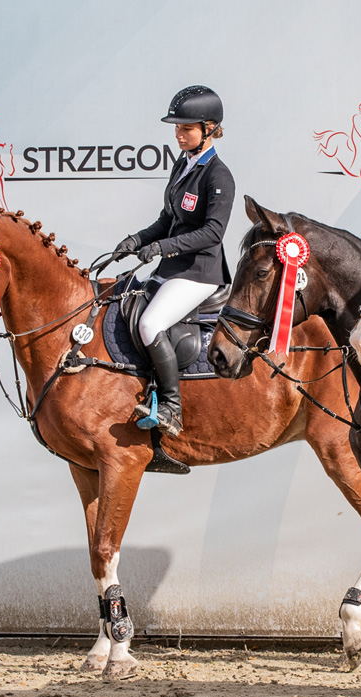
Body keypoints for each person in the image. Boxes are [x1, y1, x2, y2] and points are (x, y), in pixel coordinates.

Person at [114, 85, 235, 436]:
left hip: (199, 273)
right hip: (173, 269)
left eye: (186, 129)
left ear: (209, 128)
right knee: (127, 308)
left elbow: (213, 233)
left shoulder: (218, 176)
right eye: (177, 129)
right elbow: (167, 220)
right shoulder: (182, 166)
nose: (179, 135)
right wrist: (137, 240)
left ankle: (171, 407)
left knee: (150, 324)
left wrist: (164, 248)